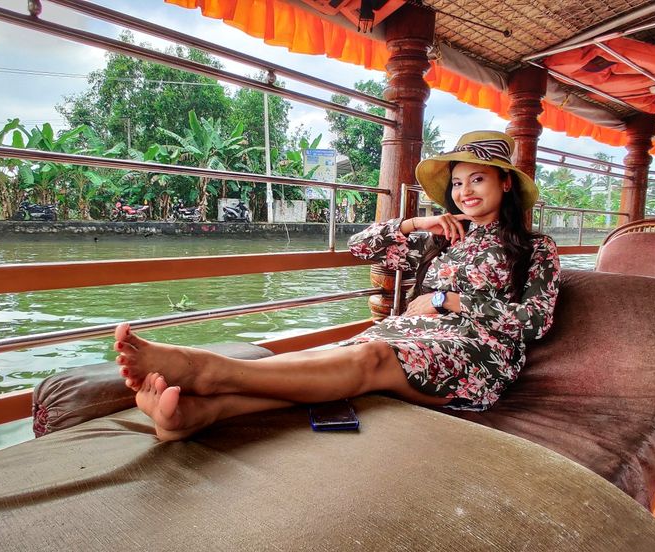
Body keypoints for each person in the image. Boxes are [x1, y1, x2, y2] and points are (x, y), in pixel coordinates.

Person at [114, 130, 561, 441]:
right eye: (458, 183)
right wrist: (413, 221)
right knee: (328, 358)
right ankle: (196, 415)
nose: (465, 191)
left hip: (477, 353)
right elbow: (360, 245)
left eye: (477, 179)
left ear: (505, 182)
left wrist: (446, 299)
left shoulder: (535, 248)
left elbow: (536, 321)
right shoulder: (440, 238)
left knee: (368, 356)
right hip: (411, 333)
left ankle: (209, 372)